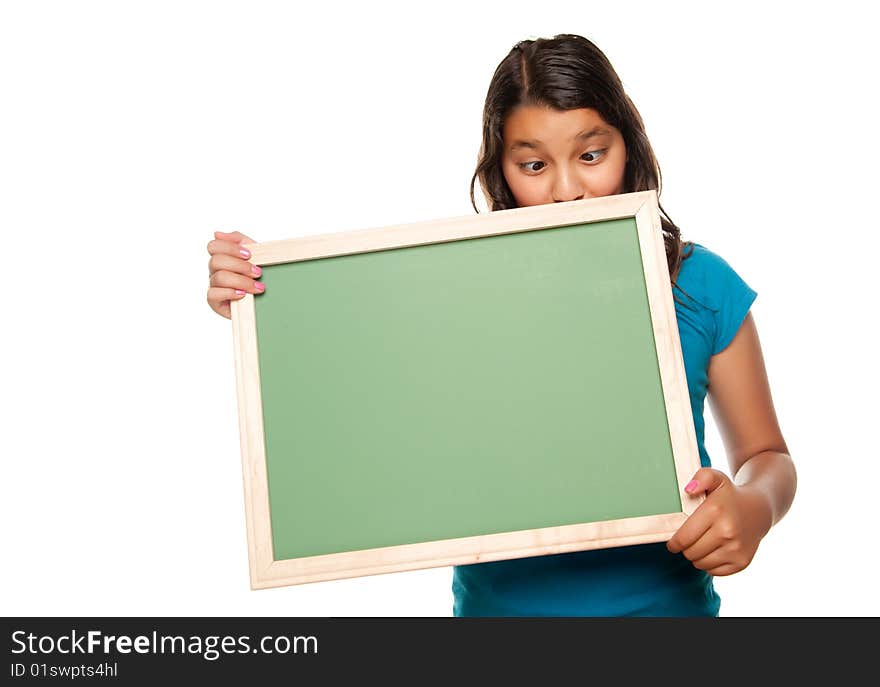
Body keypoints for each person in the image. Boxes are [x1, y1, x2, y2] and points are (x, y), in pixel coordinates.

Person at [205, 33, 796, 616]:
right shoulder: (459, 290)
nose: (567, 191)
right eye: (534, 164)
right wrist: (266, 298)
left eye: (592, 155)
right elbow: (358, 374)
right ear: (501, 169)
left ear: (630, 146)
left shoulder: (702, 286)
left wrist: (754, 507)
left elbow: (767, 454)